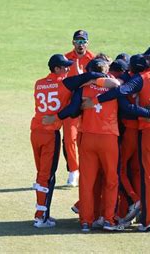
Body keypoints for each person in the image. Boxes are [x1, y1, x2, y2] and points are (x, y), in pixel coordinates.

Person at [84, 51, 150, 233]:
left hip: (148, 131)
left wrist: (97, 98)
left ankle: (148, 221)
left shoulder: (141, 79)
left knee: (148, 177)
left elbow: (121, 92)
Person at [30, 54, 73, 228]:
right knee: (47, 176)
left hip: (35, 132)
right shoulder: (64, 85)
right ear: (56, 68)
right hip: (50, 135)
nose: (68, 69)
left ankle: (42, 213)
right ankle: (41, 217)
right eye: (65, 67)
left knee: (42, 173)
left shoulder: (39, 83)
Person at [62, 30, 96, 187]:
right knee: (69, 138)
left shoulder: (94, 60)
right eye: (77, 41)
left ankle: (87, 171)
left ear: (87, 43)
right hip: (70, 104)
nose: (80, 44)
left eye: (83, 41)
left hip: (88, 105)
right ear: (73, 42)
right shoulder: (66, 59)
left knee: (86, 140)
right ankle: (73, 171)